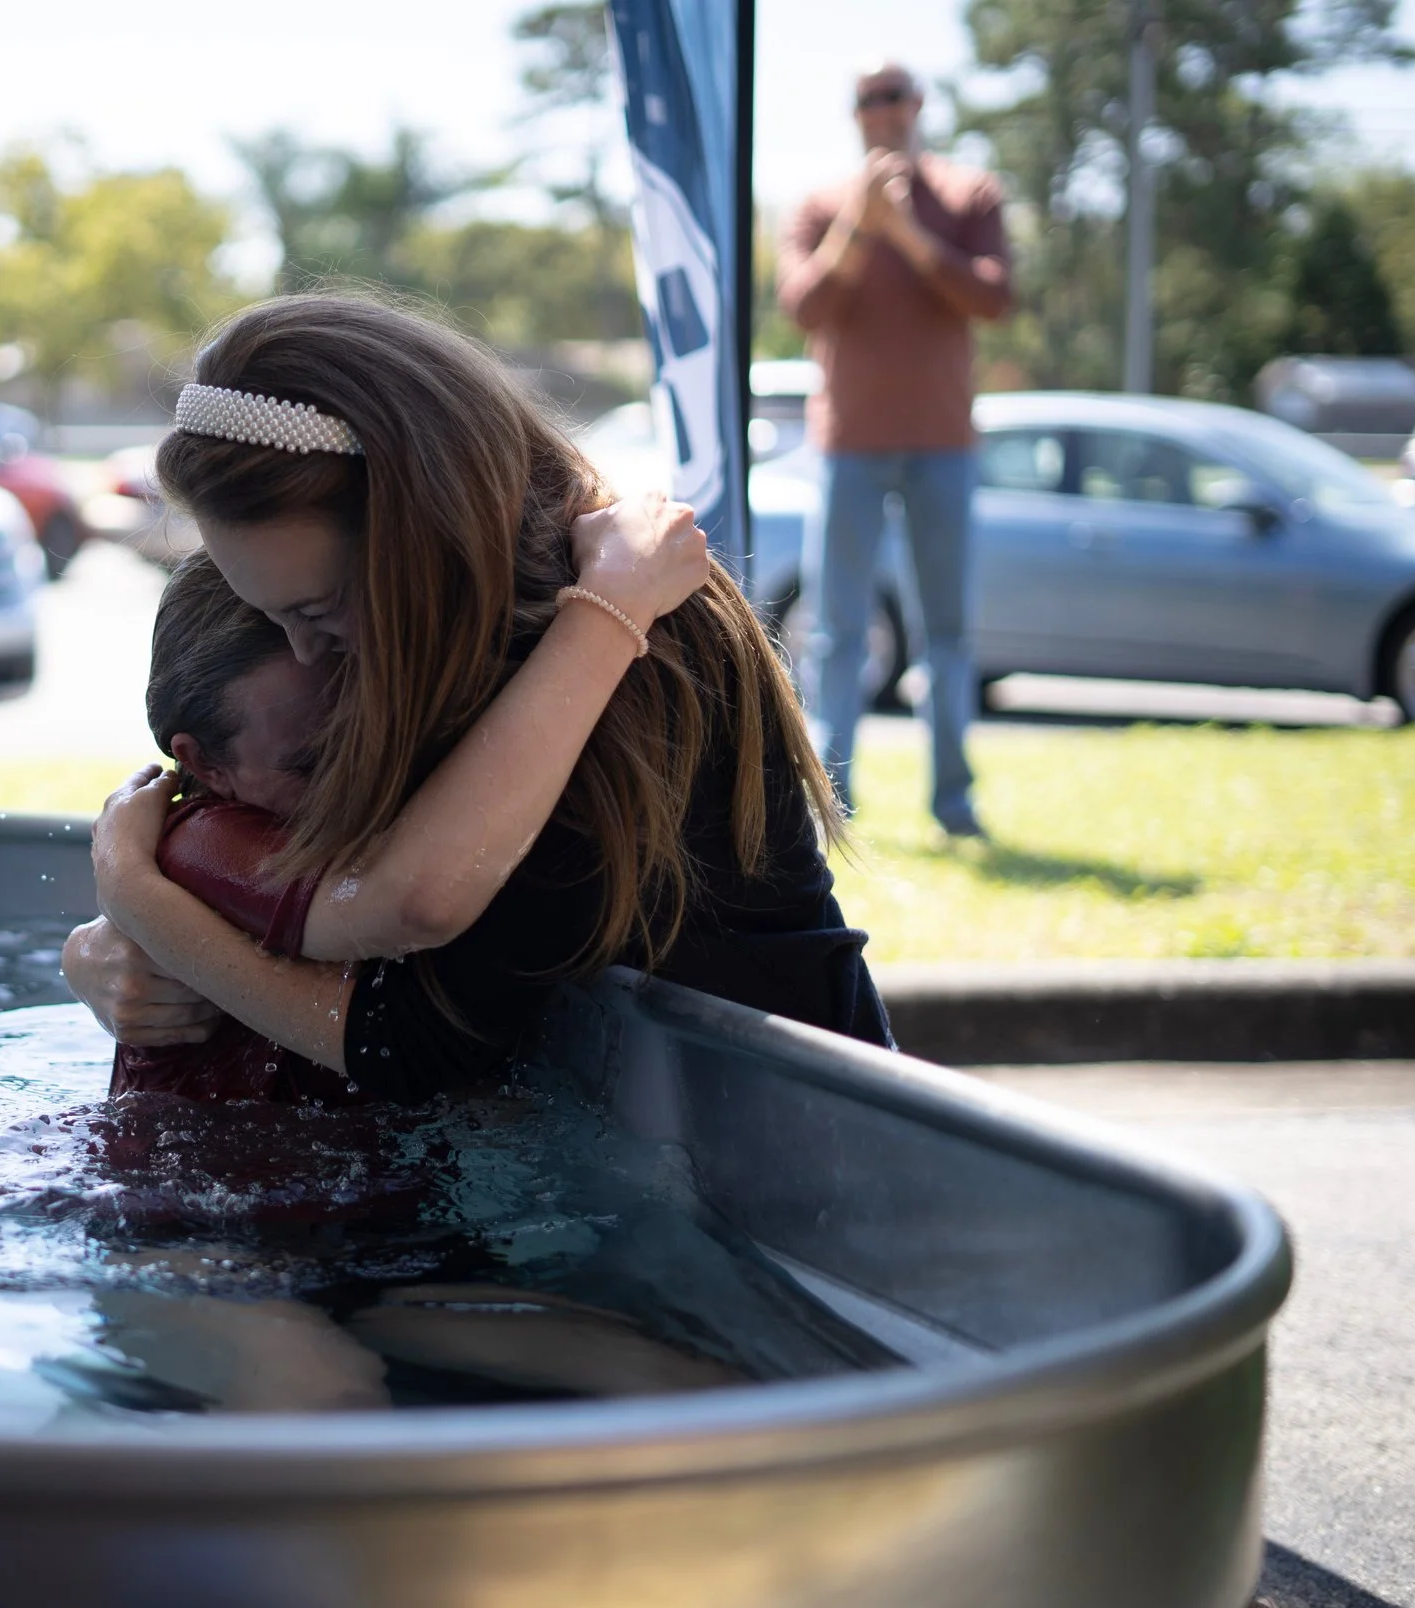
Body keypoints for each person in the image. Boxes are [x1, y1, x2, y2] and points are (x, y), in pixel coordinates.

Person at [62, 293, 891, 1110]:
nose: (310, 652)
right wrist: (107, 949)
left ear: (420, 534)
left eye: (319, 608)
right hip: (660, 1127)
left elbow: (410, 1031)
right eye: (276, 617)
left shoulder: (627, 648)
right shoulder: (452, 634)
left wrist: (138, 895)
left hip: (796, 1142)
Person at [779, 60, 1012, 838]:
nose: (883, 111)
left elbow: (993, 297)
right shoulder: (820, 204)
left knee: (947, 632)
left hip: (945, 445)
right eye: (868, 100)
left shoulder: (969, 193)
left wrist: (908, 232)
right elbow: (804, 306)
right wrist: (859, 225)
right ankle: (832, 803)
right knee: (837, 631)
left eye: (895, 96)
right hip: (848, 446)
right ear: (855, 114)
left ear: (918, 104)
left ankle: (954, 801)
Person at [107, 553, 360, 1105]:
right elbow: (399, 909)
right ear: (204, 763)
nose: (362, 783)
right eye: (313, 766)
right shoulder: (200, 844)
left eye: (367, 741)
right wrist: (123, 880)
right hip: (186, 1159)